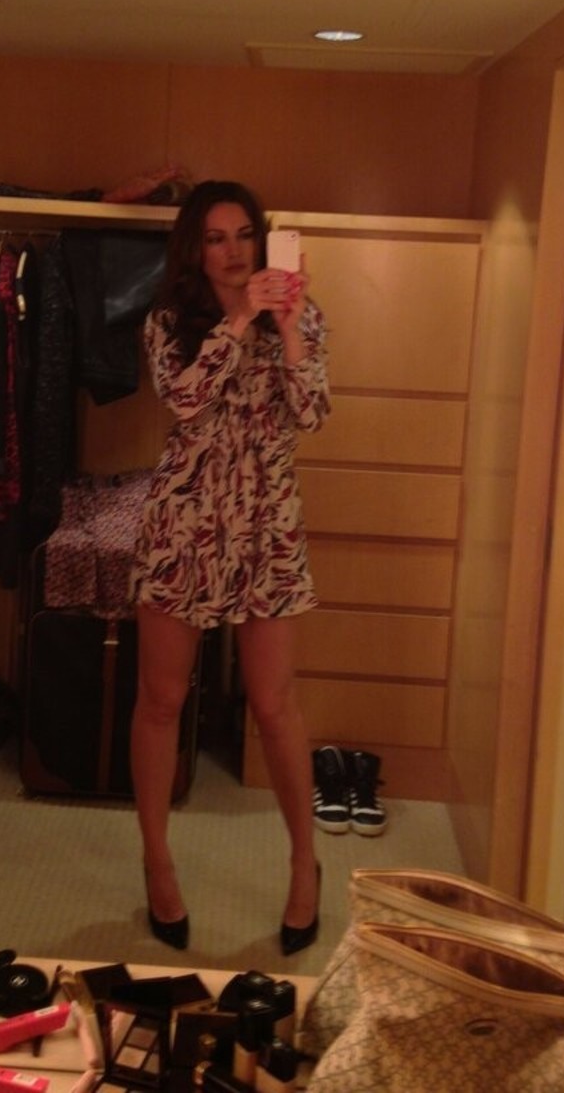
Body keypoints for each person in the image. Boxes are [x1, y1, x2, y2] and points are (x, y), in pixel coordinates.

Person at [128, 179, 330, 955]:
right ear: (195, 248)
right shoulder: (167, 322)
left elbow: (311, 413)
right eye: (216, 237)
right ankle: (157, 860)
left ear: (263, 238)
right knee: (160, 701)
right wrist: (239, 318)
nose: (234, 250)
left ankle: (304, 862)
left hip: (266, 527)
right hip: (184, 524)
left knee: (275, 706)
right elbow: (185, 400)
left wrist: (289, 329)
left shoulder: (300, 315)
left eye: (245, 233)